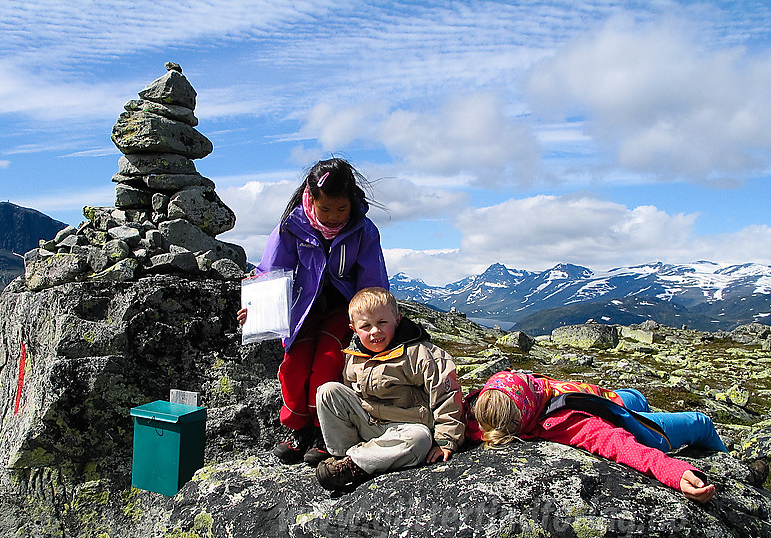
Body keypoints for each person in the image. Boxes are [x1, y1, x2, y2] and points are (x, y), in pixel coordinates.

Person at [237, 158, 388, 466]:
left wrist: (374, 318)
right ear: (311, 198)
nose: (334, 218)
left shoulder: (363, 230)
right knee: (294, 367)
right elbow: (270, 270)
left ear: (352, 202)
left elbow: (373, 282)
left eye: (341, 210)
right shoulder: (292, 226)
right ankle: (298, 430)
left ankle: (324, 432)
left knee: (328, 365)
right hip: (300, 311)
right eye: (326, 210)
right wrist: (253, 308)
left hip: (342, 313)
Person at [468, 371, 726, 503]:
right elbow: (619, 445)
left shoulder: (485, 415)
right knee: (701, 423)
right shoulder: (566, 422)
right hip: (626, 425)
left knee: (635, 396)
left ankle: (638, 407)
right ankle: (730, 465)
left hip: (603, 400)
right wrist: (675, 473)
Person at [314, 287, 465, 491]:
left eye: (382, 323)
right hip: (369, 424)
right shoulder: (354, 356)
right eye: (366, 326)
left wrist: (445, 440)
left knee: (419, 441)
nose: (375, 331)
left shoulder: (420, 353)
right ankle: (343, 457)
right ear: (353, 329)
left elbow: (446, 395)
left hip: (408, 427)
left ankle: (356, 464)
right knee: (328, 391)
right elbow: (350, 393)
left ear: (397, 319)